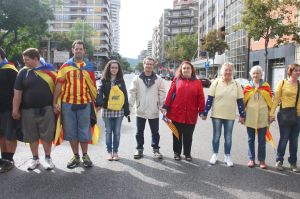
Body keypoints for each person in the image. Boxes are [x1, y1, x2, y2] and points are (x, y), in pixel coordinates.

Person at [53, 40, 98, 169]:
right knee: (71, 132)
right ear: (72, 50)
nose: (78, 51)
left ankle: (85, 155)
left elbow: (92, 87)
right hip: (67, 104)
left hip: (84, 103)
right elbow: (59, 85)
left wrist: (96, 102)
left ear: (84, 51)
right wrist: (54, 102)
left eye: (81, 49)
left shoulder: (89, 67)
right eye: (76, 49)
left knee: (84, 131)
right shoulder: (65, 67)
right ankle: (76, 156)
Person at [12, 48, 56, 170]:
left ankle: (48, 158)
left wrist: (56, 105)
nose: (25, 62)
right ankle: (35, 159)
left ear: (36, 59)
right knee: (32, 136)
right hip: (28, 111)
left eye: (27, 60)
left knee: (47, 135)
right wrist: (15, 110)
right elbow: (17, 93)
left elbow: (58, 90)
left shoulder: (49, 70)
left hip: (46, 109)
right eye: (24, 60)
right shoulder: (23, 72)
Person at [202, 62, 245, 167]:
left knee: (228, 137)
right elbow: (210, 99)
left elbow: (240, 101)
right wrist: (205, 112)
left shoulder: (237, 84)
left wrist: (242, 115)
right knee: (216, 136)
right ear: (222, 72)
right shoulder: (216, 83)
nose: (228, 72)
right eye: (226, 70)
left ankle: (227, 156)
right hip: (216, 115)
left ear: (233, 72)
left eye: (230, 70)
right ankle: (214, 154)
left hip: (230, 116)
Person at [162, 61, 205, 161]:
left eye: (188, 68)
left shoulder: (197, 82)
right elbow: (170, 93)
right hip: (176, 113)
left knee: (188, 135)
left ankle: (187, 153)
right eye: (184, 68)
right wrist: (165, 106)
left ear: (192, 70)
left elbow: (201, 98)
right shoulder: (176, 80)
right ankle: (176, 152)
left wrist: (201, 111)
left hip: (191, 113)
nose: (186, 70)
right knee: (176, 134)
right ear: (181, 70)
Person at [128, 56, 166, 159]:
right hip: (141, 110)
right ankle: (139, 149)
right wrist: (129, 107)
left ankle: (156, 150)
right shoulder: (137, 78)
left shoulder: (159, 79)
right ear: (143, 65)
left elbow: (161, 93)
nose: (148, 66)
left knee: (155, 132)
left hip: (153, 110)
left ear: (153, 66)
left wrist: (162, 106)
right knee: (139, 132)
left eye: (151, 64)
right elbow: (132, 94)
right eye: (147, 64)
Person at [96, 60, 130, 161]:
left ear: (118, 69)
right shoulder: (103, 80)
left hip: (119, 111)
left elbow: (125, 95)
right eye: (112, 67)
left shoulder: (121, 80)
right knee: (108, 131)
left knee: (117, 132)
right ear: (108, 68)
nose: (114, 69)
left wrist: (127, 110)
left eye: (116, 68)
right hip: (107, 110)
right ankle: (109, 152)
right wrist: (100, 103)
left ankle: (115, 152)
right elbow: (99, 92)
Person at [270, 64, 300, 172]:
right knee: (284, 138)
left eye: (299, 71)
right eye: (295, 70)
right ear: (290, 71)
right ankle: (279, 160)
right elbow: (276, 99)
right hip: (285, 114)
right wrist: (272, 114)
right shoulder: (282, 83)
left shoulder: (299, 84)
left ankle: (293, 163)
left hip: (298, 116)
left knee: (294, 140)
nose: (298, 72)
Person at [243, 66, 272, 169]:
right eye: (254, 73)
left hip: (263, 117)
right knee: (250, 139)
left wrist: (270, 115)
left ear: (261, 74)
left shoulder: (266, 86)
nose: (256, 75)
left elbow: (270, 102)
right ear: (251, 74)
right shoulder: (247, 87)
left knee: (262, 140)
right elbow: (243, 103)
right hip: (250, 117)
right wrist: (242, 116)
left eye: (258, 73)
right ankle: (251, 159)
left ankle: (262, 160)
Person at [0, 47, 18, 173]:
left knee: (9, 135)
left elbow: (18, 92)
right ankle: (4, 159)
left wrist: (16, 109)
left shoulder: (10, 70)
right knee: (1, 135)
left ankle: (9, 159)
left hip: (8, 108)